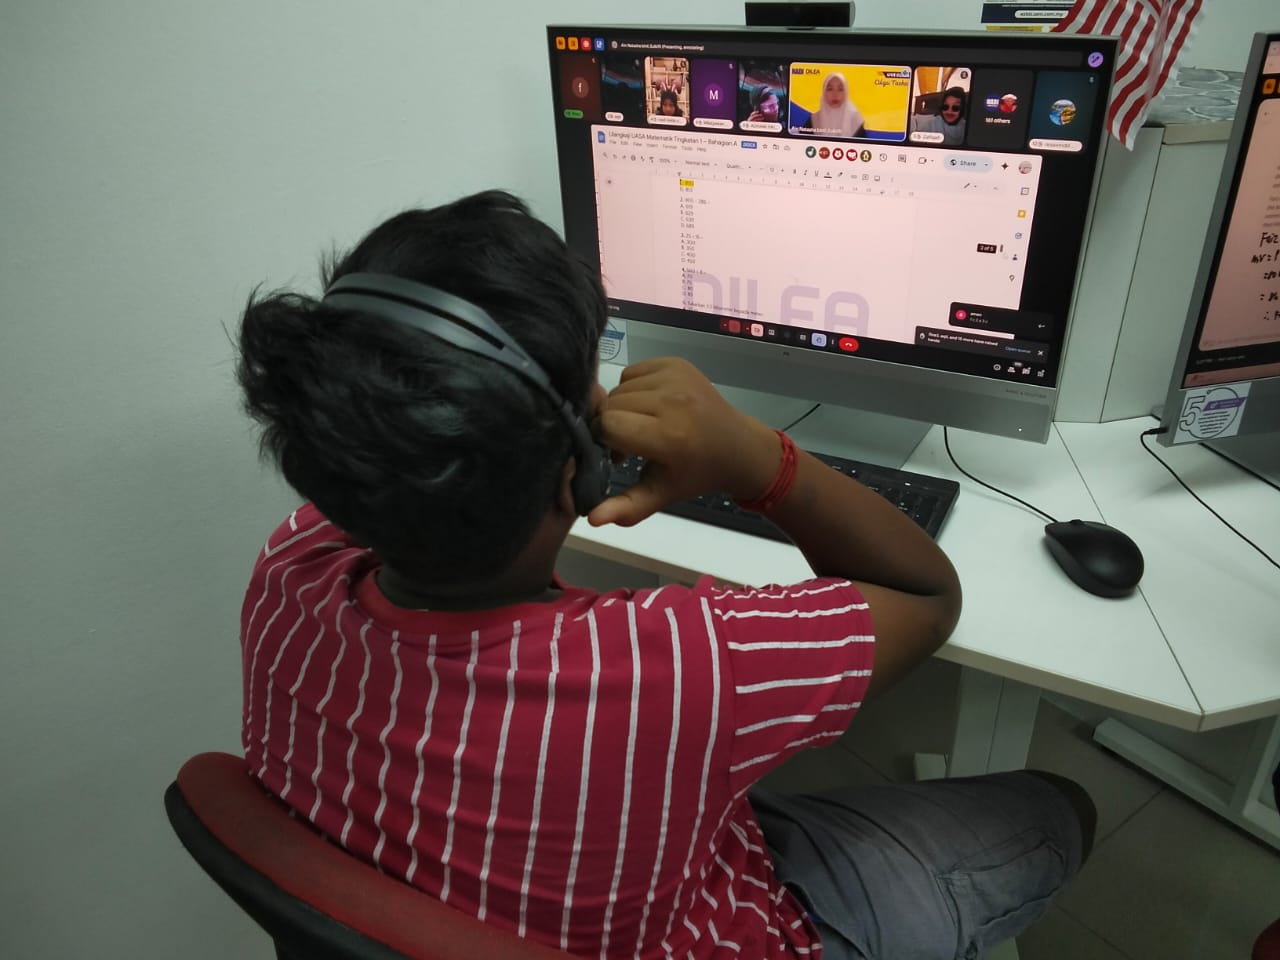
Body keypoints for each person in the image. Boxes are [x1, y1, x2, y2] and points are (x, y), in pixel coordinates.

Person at [236, 189, 1095, 959]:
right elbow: (926, 596)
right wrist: (755, 458)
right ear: (581, 469)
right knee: (1058, 809)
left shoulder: (290, 566)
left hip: (452, 899)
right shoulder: (682, 667)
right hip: (731, 926)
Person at [804, 72, 865, 138]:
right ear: (824, 92)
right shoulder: (814, 120)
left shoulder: (855, 120)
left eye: (840, 89)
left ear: (846, 93)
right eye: (830, 89)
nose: (835, 94)